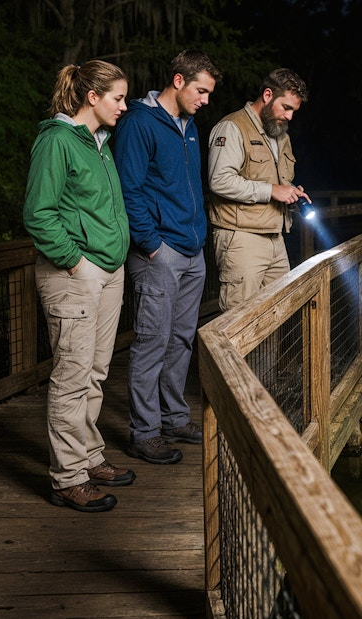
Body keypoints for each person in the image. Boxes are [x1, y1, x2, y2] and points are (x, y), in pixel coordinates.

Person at [23, 60, 135, 513]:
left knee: (95, 371)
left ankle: (88, 457)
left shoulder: (99, 143)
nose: (124, 107)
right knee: (71, 378)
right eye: (118, 98)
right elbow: (38, 213)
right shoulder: (56, 141)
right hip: (74, 275)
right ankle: (67, 478)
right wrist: (74, 262)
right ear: (93, 97)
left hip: (110, 271)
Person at [114, 50, 222, 464]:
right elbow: (130, 189)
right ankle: (144, 433)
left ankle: (173, 417)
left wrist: (197, 240)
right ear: (178, 81)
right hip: (159, 253)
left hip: (192, 251)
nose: (206, 100)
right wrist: (152, 244)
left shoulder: (188, 125)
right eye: (201, 90)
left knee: (180, 339)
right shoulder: (140, 122)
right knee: (151, 342)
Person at [207, 67, 310, 313]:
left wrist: (290, 193)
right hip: (241, 238)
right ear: (267, 95)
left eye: (294, 111)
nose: (289, 117)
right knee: (239, 320)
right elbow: (219, 180)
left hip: (276, 237)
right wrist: (271, 191)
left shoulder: (280, 135)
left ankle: (269, 355)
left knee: (278, 316)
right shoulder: (232, 127)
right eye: (286, 107)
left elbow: (276, 182)